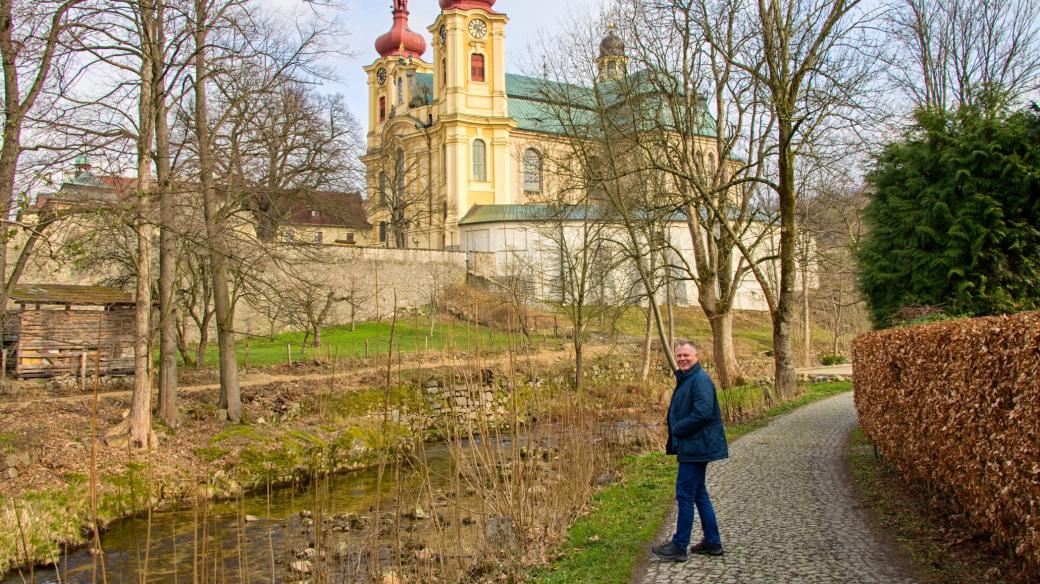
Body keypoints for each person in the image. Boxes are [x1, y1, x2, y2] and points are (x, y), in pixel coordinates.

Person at [651, 339, 728, 562]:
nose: (682, 359)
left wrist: (678, 428)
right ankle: (712, 542)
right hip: (693, 445)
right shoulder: (687, 378)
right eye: (679, 356)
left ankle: (679, 545)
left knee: (685, 494)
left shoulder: (699, 379)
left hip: (696, 446)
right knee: (698, 493)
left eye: (686, 355)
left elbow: (703, 412)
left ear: (696, 357)